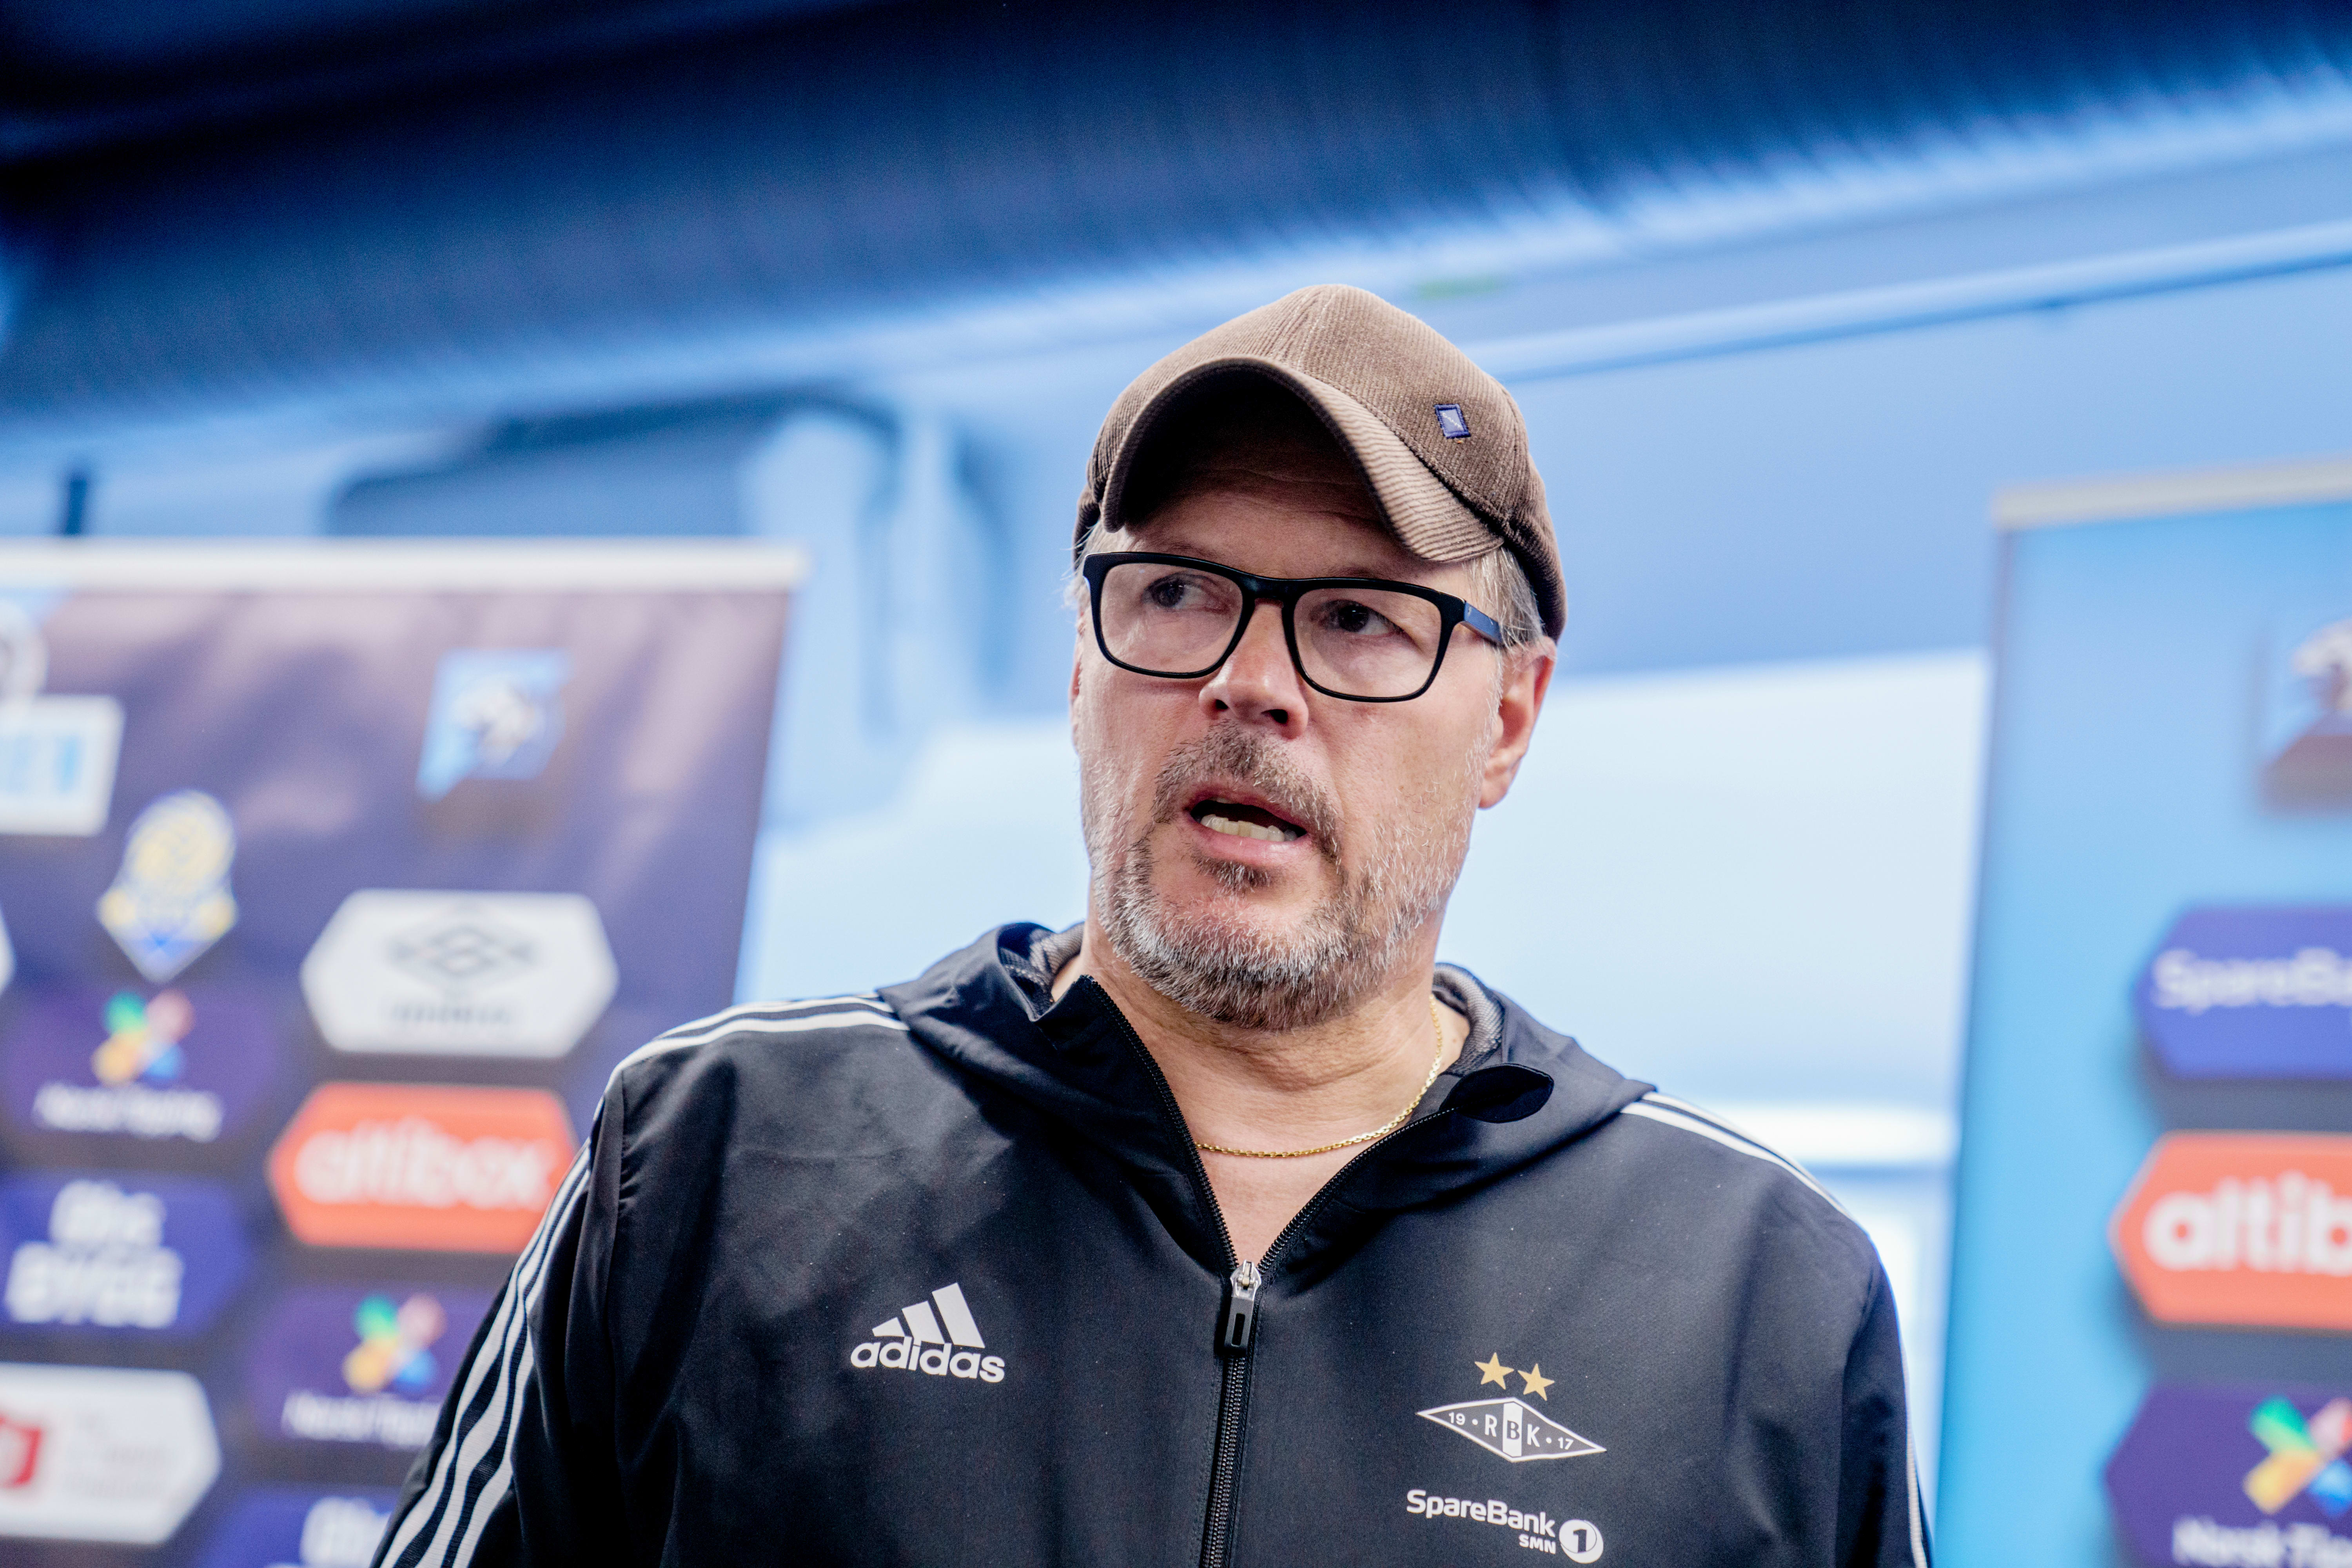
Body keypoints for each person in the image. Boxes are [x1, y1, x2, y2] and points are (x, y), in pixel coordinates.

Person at [372, 285, 1927, 1568]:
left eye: (1359, 620)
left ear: (1509, 719)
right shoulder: (712, 1161)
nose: (1250, 683)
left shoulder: (1759, 1295)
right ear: (1080, 664)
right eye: (1177, 592)